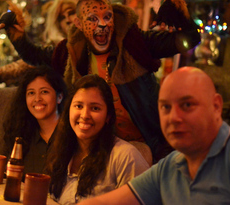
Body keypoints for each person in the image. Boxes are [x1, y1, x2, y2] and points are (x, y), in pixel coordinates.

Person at [0, 0, 201, 162]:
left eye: (107, 17)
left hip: (148, 145)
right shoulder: (71, 54)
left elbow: (188, 40)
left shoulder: (135, 44)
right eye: (93, 19)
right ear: (79, 24)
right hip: (100, 148)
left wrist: (180, 15)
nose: (102, 25)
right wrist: (16, 33)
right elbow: (35, 55)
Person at [78, 66, 230, 205]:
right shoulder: (170, 166)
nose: (173, 117)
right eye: (165, 107)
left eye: (187, 105)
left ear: (216, 106)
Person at [45, 74, 150, 204]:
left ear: (108, 117)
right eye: (78, 106)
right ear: (68, 111)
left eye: (95, 108)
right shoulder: (61, 150)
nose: (85, 115)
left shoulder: (125, 157)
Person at [3, 66, 67, 176]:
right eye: (31, 93)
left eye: (44, 92)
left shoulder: (71, 135)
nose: (37, 99)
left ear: (59, 97)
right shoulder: (22, 136)